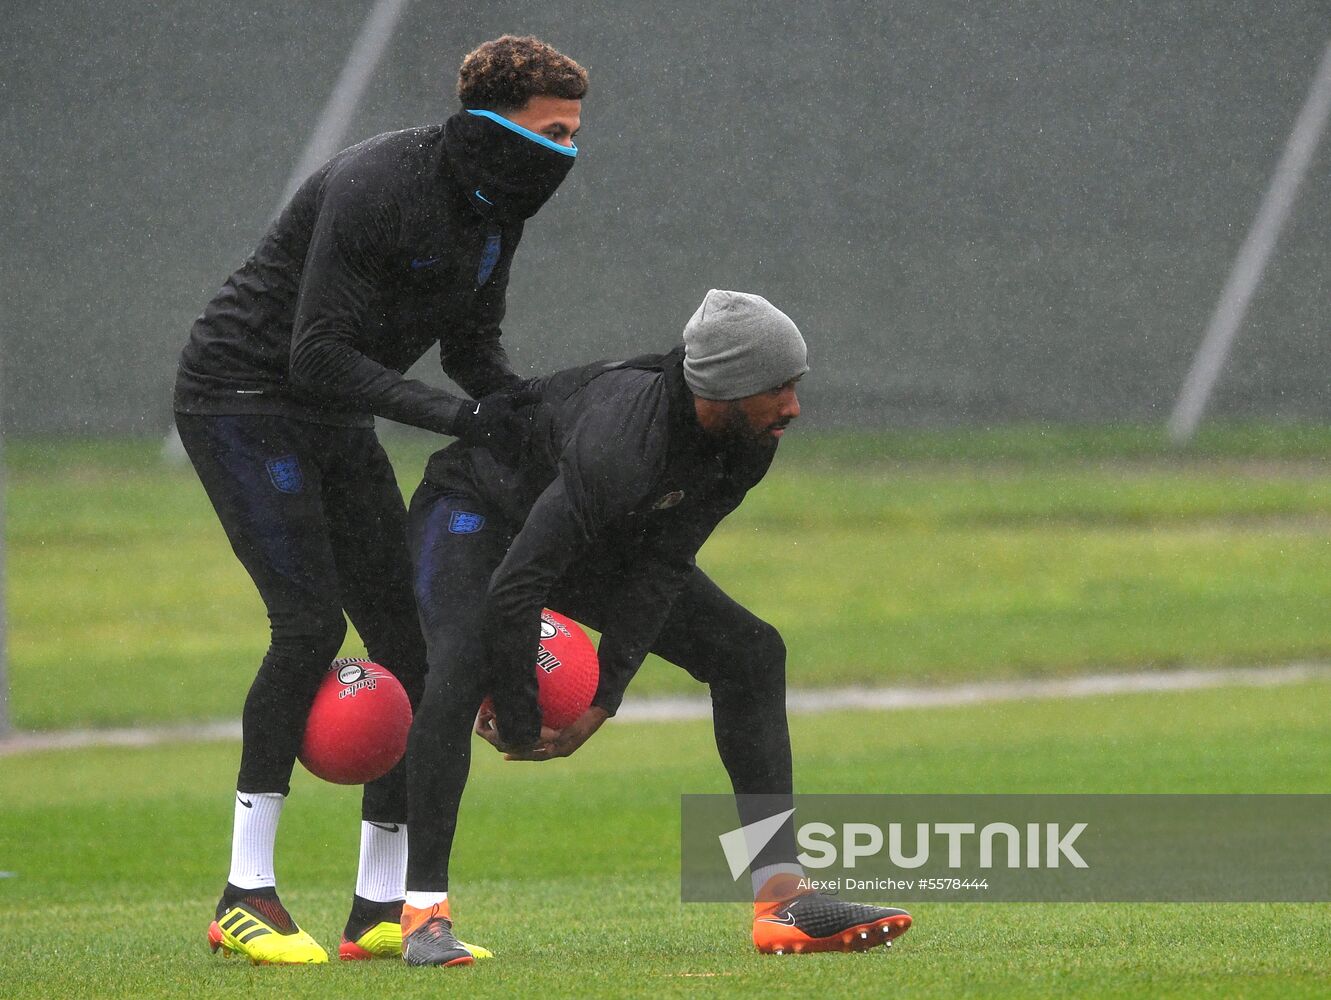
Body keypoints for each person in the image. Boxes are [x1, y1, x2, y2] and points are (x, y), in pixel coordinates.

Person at [173, 35, 587, 965]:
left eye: (574, 134)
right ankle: (245, 895)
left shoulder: (499, 207)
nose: (568, 152)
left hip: (333, 414)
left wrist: (528, 413)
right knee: (308, 626)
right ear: (493, 126)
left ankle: (380, 910)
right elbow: (313, 353)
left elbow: (472, 349)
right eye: (552, 132)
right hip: (242, 396)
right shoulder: (380, 183)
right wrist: (462, 418)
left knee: (412, 649)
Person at [402, 289, 913, 966]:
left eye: (794, 385)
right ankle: (421, 915)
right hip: (477, 507)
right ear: (724, 391)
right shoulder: (621, 440)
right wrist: (524, 727)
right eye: (778, 389)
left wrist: (603, 700)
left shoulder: (750, 440)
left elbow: (662, 565)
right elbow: (517, 585)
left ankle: (783, 901)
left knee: (749, 652)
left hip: (584, 533)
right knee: (462, 664)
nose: (793, 406)